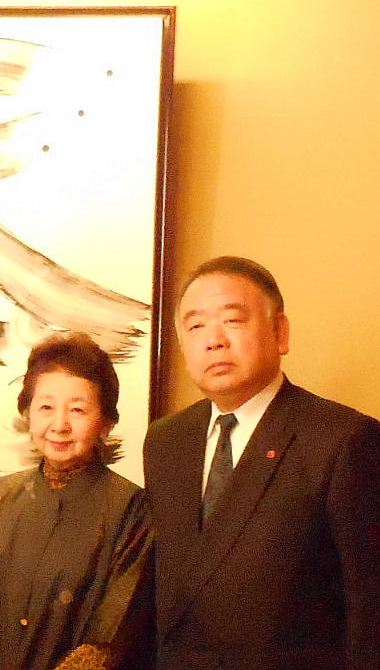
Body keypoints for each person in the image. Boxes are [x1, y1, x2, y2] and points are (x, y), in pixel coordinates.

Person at [144, 256, 380, 670]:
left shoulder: (343, 439)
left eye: (232, 320)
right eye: (196, 326)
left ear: (280, 332)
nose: (214, 340)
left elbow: (370, 611)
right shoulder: (166, 441)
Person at [0, 332, 154, 670]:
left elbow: (116, 630)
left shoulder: (131, 508)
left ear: (105, 423)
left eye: (77, 409)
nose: (59, 425)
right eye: (46, 407)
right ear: (28, 414)